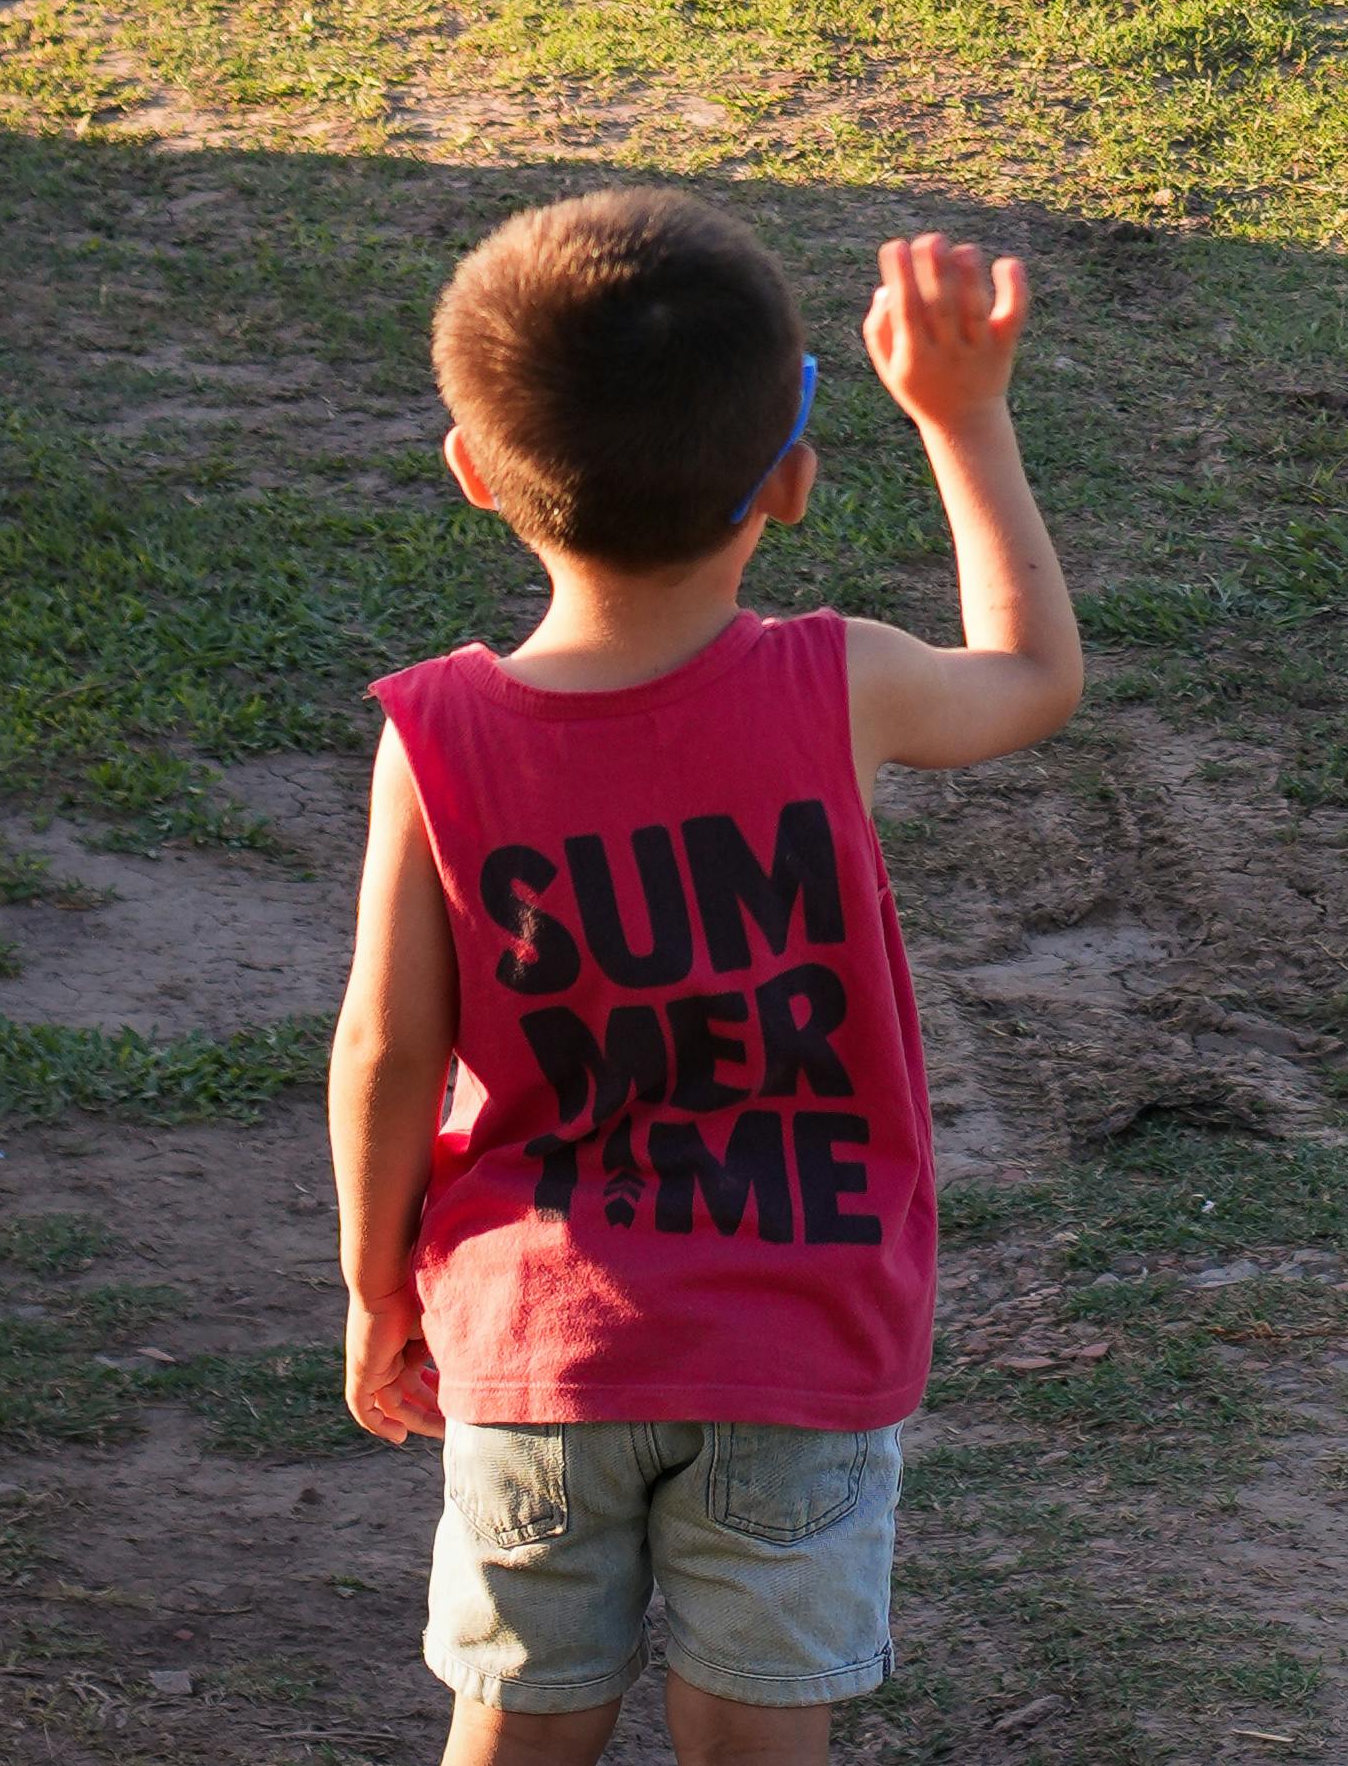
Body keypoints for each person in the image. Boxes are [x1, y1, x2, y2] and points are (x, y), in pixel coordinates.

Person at [334, 190, 1083, 1766]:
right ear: (793, 479)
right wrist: (961, 421)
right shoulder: (840, 681)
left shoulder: (435, 735)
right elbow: (1030, 677)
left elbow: (391, 1051)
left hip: (540, 1338)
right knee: (758, 1734)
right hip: (797, 1340)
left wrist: (375, 1284)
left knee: (516, 1727)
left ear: (474, 472)